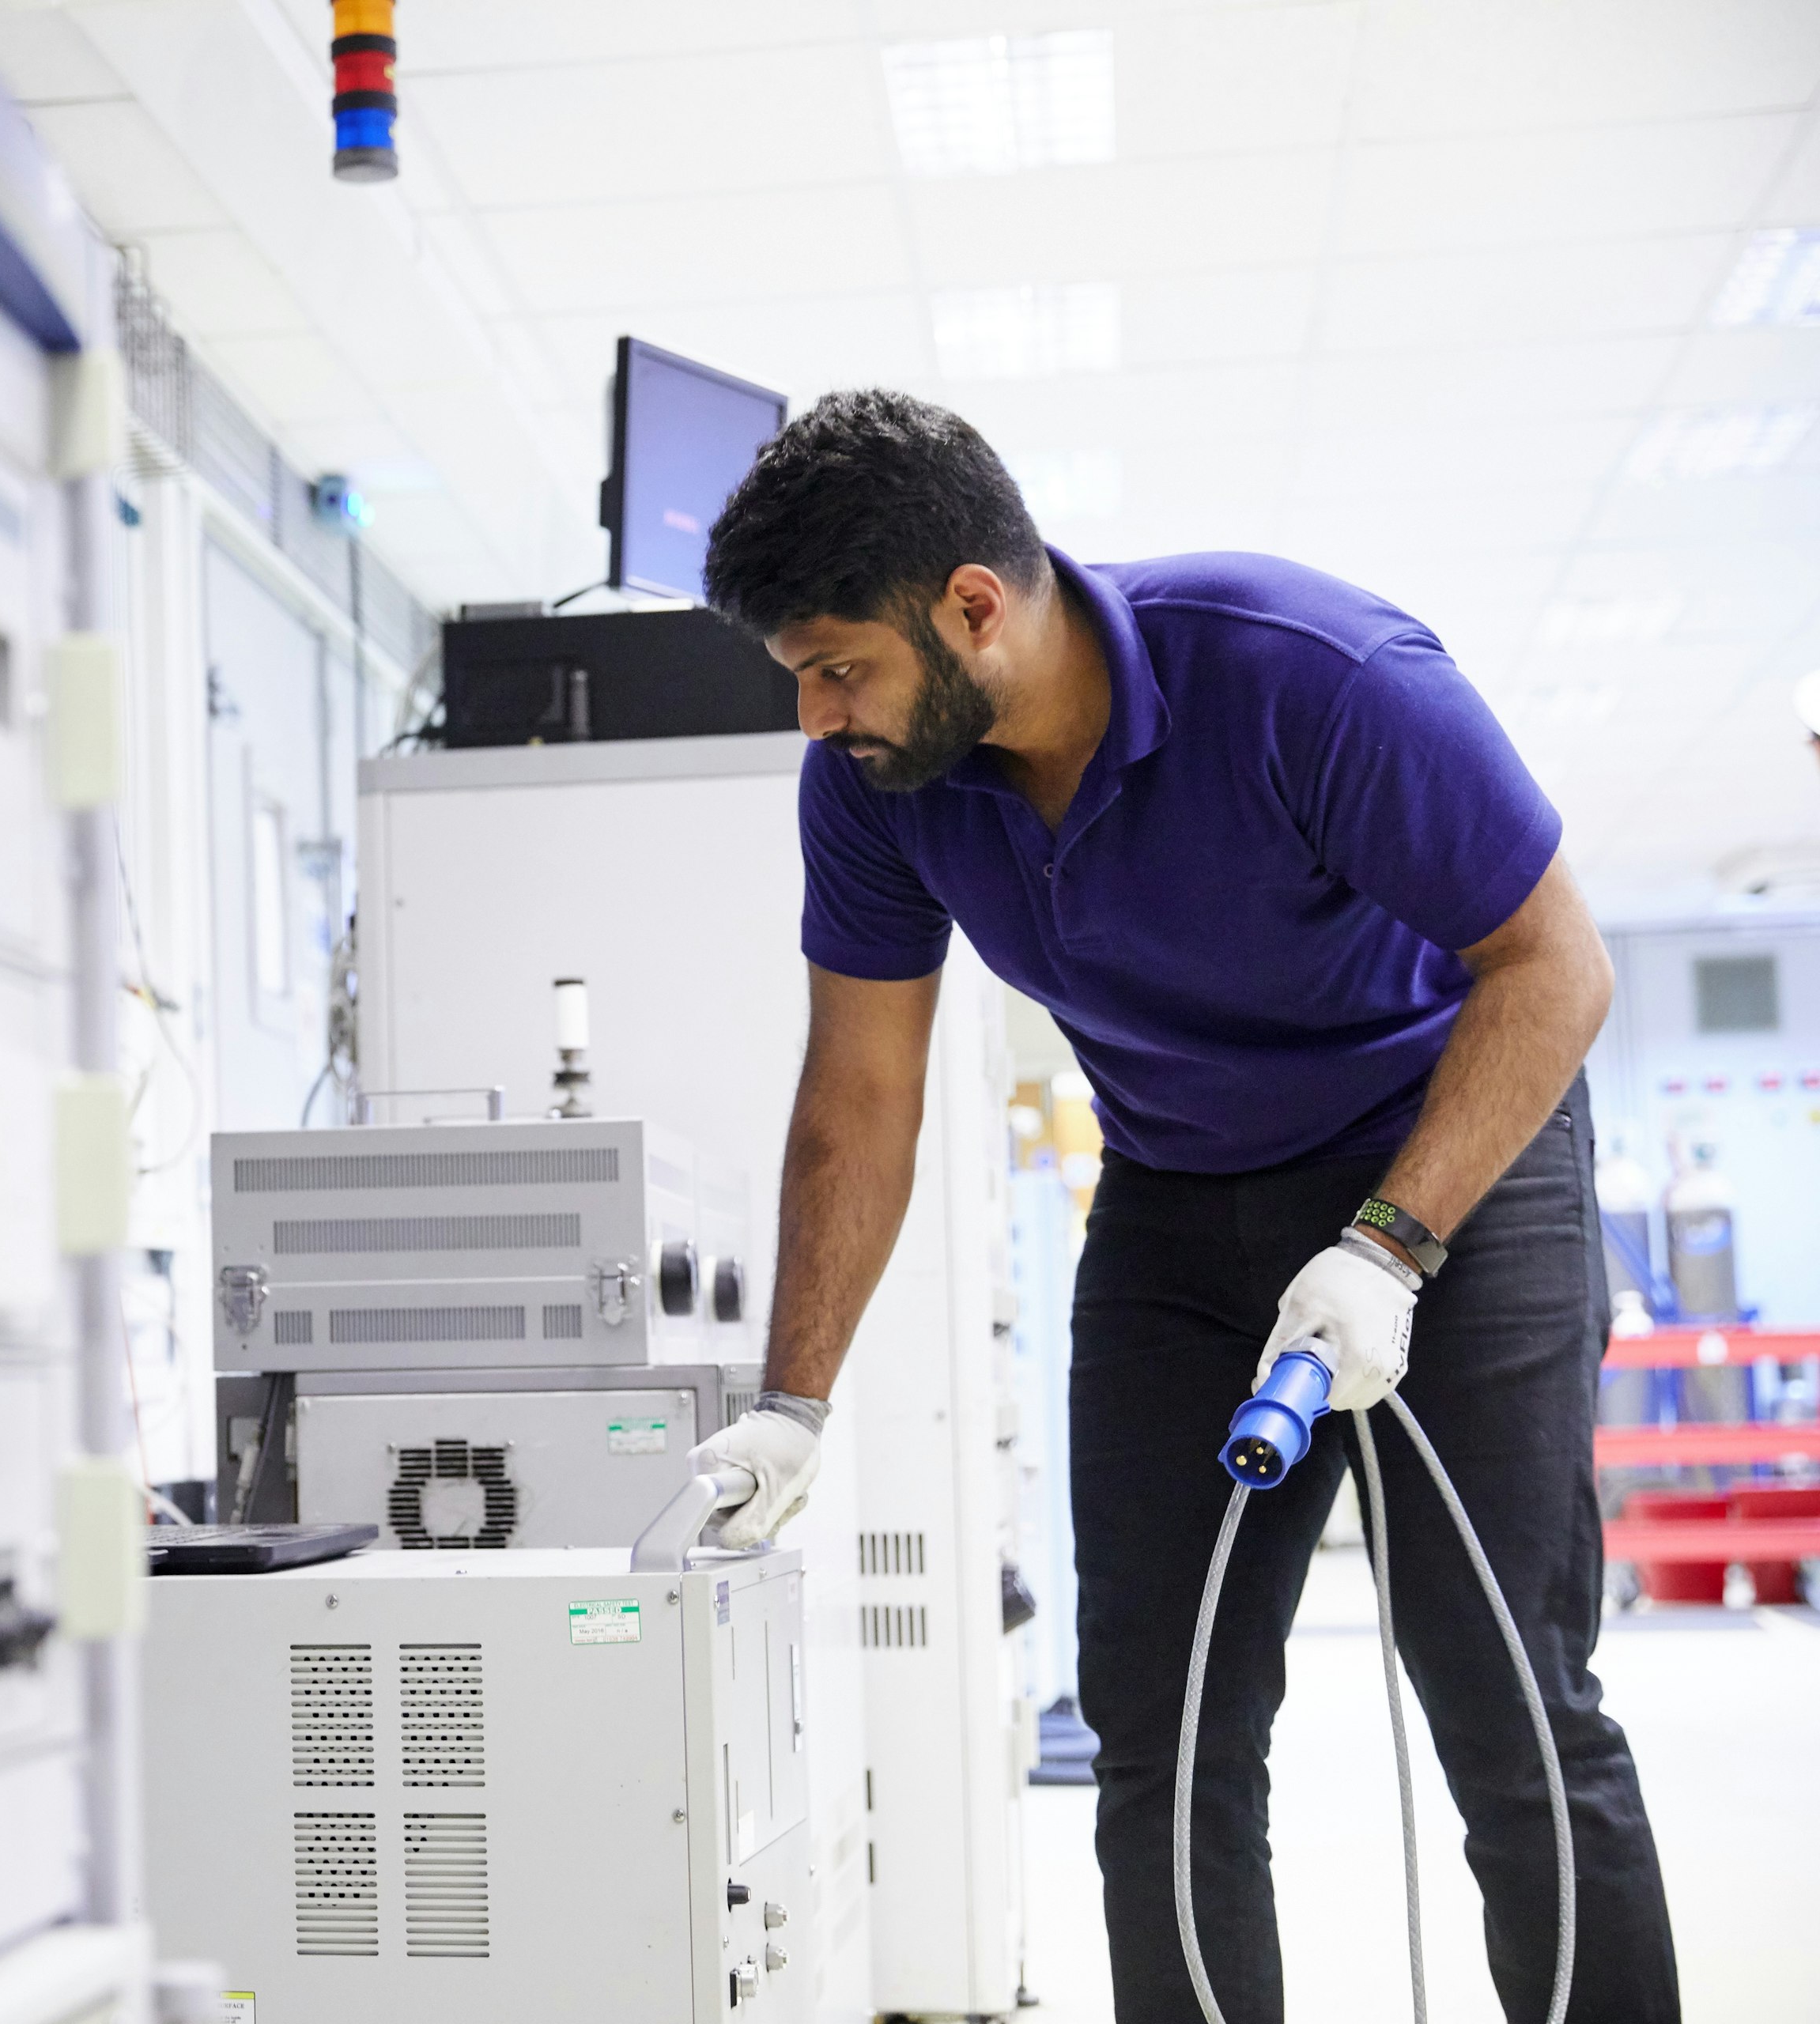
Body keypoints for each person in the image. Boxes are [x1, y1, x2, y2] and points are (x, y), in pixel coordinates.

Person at [683, 388, 1677, 2022]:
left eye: (835, 664)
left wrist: (1390, 1242)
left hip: (1454, 1169)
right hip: (1174, 1196)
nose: (813, 716)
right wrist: (794, 1401)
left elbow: (1557, 965)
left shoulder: (1313, 676)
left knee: (1509, 1707)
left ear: (974, 607)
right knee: (1165, 1730)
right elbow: (856, 1094)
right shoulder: (877, 786)